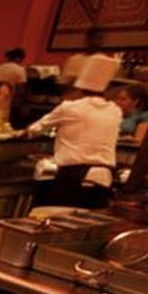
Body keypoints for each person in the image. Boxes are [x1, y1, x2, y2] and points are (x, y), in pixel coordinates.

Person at [27, 54, 123, 209]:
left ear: (78, 89)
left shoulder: (69, 107)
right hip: (105, 178)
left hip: (74, 176)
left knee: (59, 223)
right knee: (88, 226)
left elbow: (34, 129)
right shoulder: (115, 110)